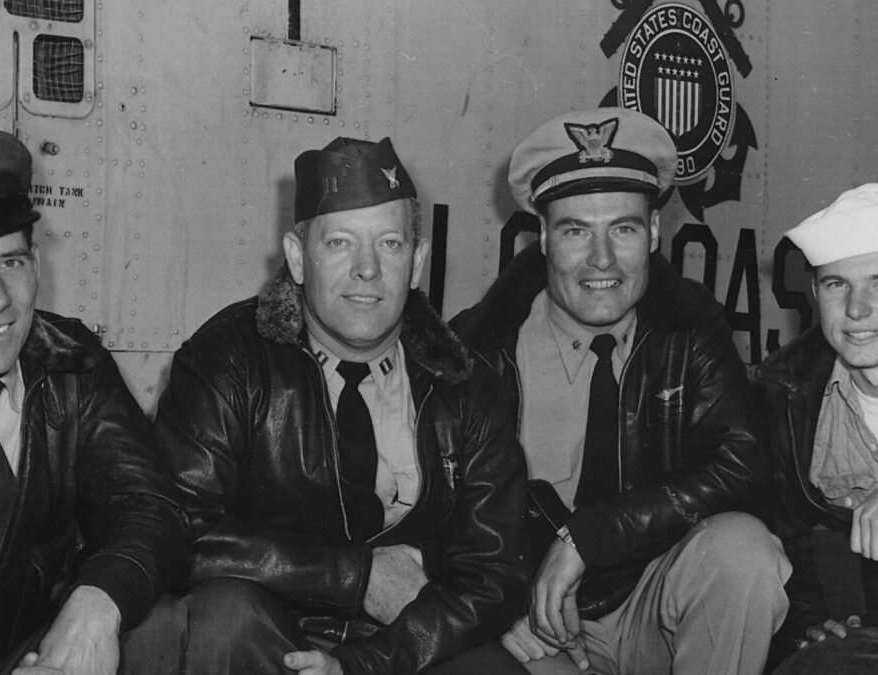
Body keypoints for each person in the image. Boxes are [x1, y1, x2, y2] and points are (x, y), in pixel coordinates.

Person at [152, 136, 529, 674]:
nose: (368, 270)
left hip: (405, 635)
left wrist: (365, 665)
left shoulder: (465, 383)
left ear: (417, 261)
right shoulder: (229, 360)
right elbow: (171, 526)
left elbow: (496, 575)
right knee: (223, 621)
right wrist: (357, 576)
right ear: (297, 258)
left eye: (391, 244)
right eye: (340, 244)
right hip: (269, 619)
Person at [451, 107, 790, 674]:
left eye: (624, 229)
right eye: (576, 229)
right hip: (533, 620)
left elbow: (741, 464)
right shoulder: (479, 347)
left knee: (743, 553)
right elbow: (434, 510)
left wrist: (591, 537)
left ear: (655, 232)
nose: (601, 259)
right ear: (543, 237)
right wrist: (490, 611)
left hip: (657, 601)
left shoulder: (690, 326)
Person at [0, 127, 189, 675]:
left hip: (24, 653)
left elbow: (152, 503)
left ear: (38, 268)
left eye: (11, 262)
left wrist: (99, 599)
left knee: (158, 621)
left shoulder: (70, 363)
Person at [754, 183, 878, 673]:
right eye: (836, 284)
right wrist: (808, 626)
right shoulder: (787, 394)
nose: (857, 309)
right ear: (813, 294)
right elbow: (783, 535)